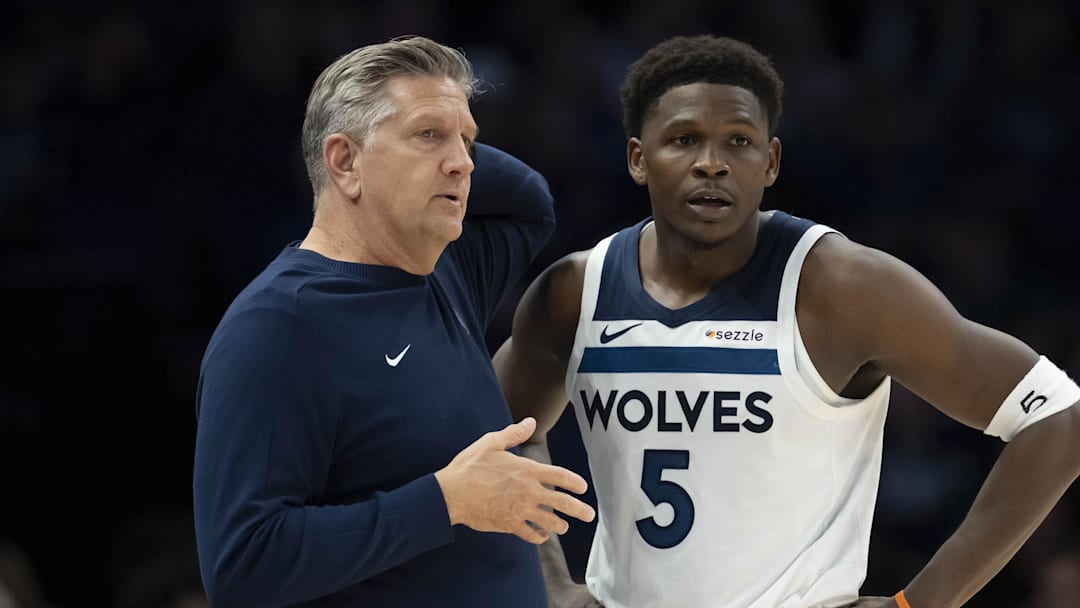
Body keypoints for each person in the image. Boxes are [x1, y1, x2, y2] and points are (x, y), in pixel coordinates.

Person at [493, 35, 1080, 608]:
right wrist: (551, 585)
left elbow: (1058, 416)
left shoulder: (840, 286)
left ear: (769, 161)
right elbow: (495, 432)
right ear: (637, 159)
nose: (712, 164)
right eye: (684, 139)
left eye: (739, 142)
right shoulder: (575, 292)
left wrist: (923, 601)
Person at [193, 35, 595, 607]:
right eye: (428, 136)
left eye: (470, 142)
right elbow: (243, 564)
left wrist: (443, 115)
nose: (463, 163)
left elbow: (531, 201)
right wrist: (446, 502)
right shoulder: (279, 328)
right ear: (344, 160)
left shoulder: (447, 273)